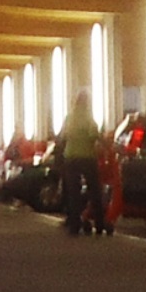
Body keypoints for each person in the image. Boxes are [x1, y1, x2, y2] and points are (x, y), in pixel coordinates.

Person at [54, 90, 109, 237]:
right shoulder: (89, 118)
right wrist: (105, 144)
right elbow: (94, 135)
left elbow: (62, 136)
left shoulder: (69, 118)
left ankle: (74, 224)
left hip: (70, 157)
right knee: (94, 190)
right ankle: (99, 223)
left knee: (73, 191)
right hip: (87, 157)